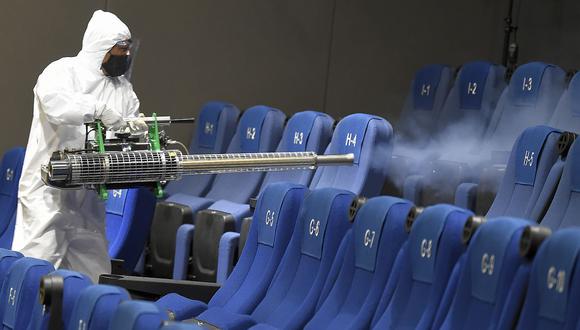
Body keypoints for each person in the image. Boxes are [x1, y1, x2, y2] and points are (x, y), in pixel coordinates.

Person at [13, 10, 147, 282]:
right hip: (47, 194)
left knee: (92, 277)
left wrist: (134, 130)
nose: (125, 56)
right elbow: (56, 106)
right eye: (119, 50)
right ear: (101, 47)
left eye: (127, 50)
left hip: (88, 198)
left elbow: (126, 125)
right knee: (33, 274)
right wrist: (99, 110)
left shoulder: (122, 88)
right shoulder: (61, 72)